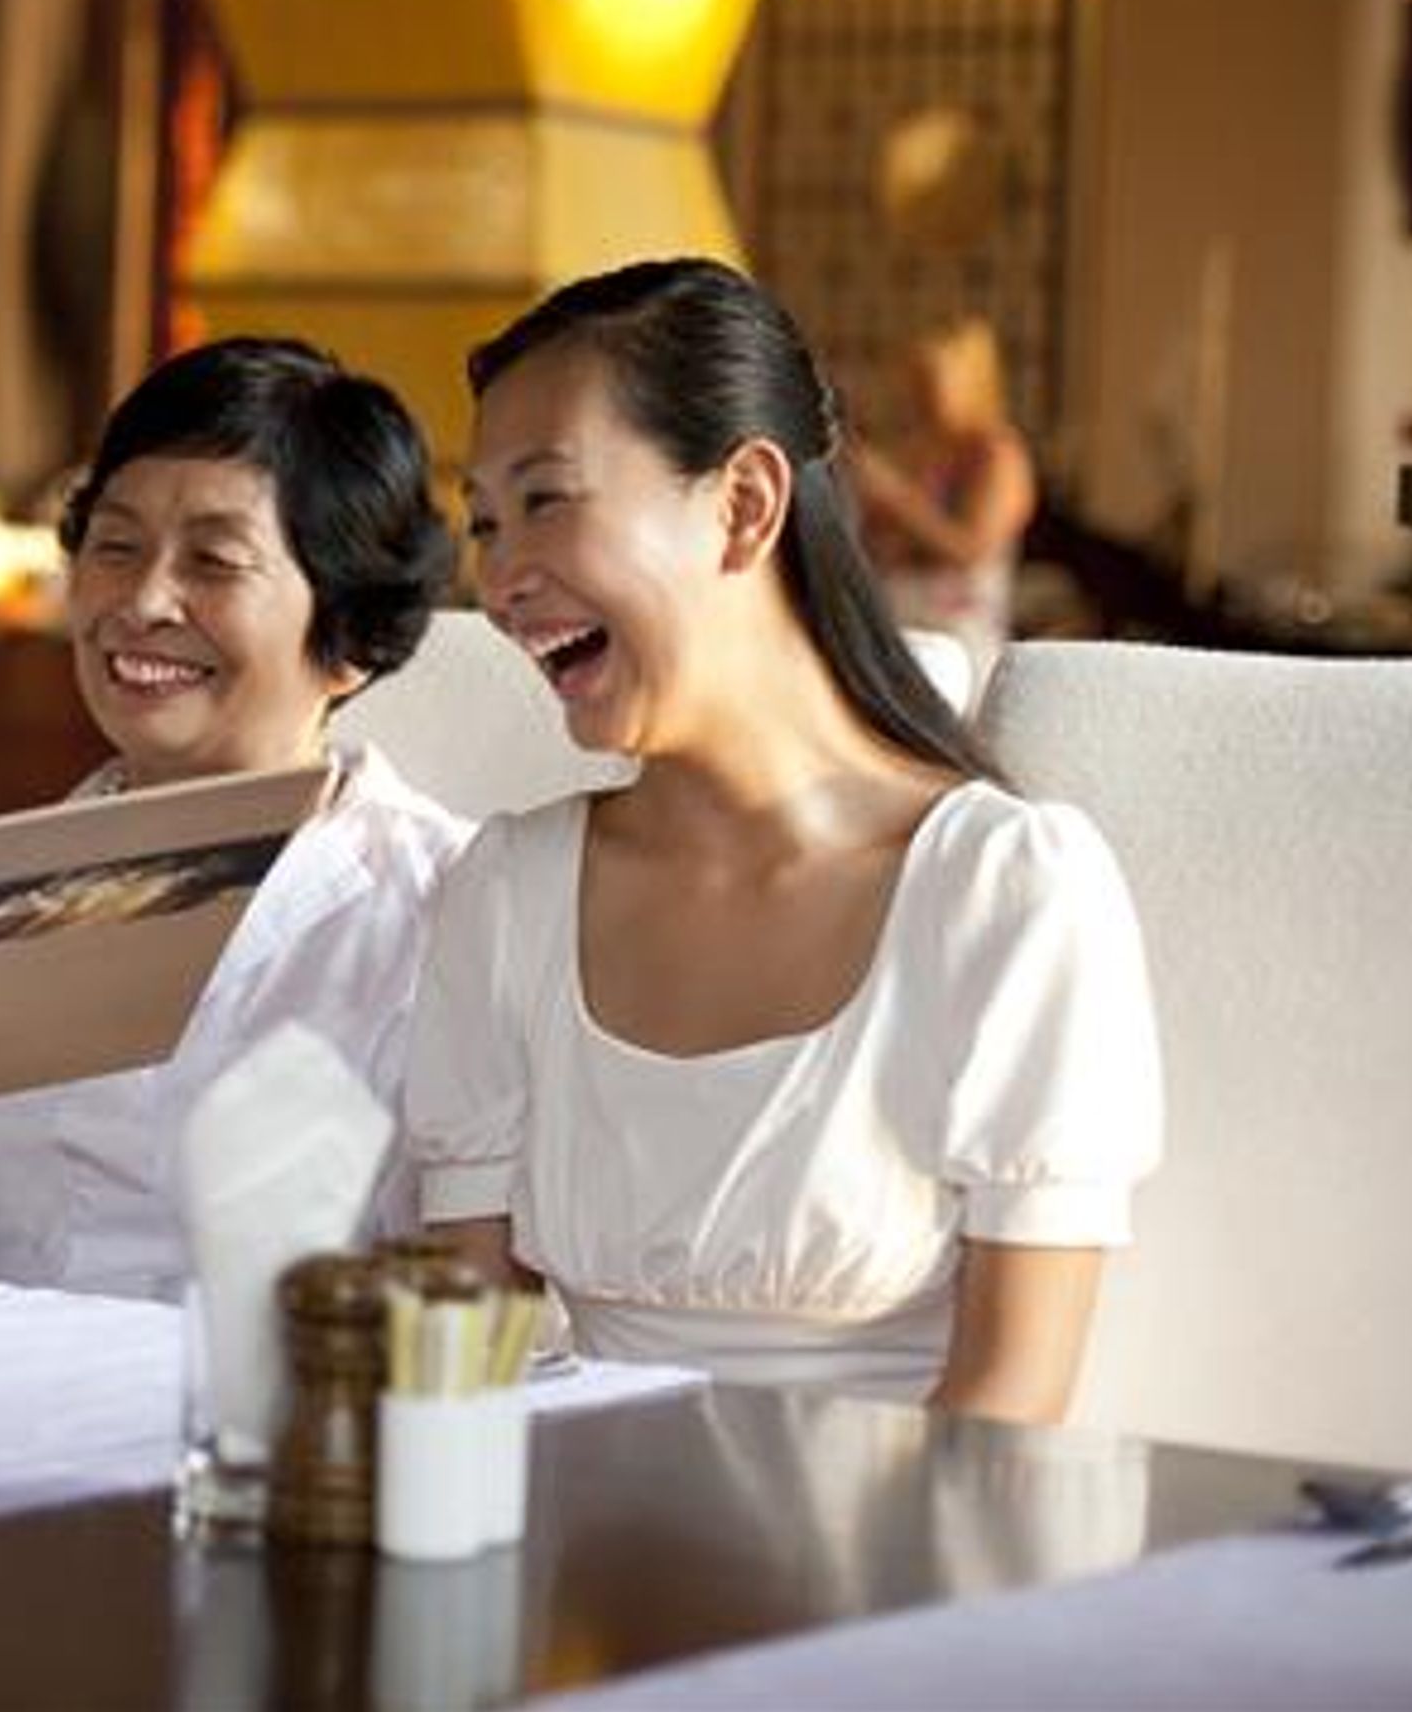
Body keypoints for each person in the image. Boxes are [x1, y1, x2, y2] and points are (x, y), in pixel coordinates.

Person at [403, 259, 1159, 1421]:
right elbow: (466, 1377)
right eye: (485, 524)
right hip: (573, 1569)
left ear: (745, 505)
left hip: (899, 1574)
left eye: (546, 500)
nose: (500, 580)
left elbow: (1012, 1399)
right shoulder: (505, 894)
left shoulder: (1004, 889)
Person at [0, 339, 472, 1296]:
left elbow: (462, 1304)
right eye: (115, 545)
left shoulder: (454, 918)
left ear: (350, 634)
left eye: (215, 562)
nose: (142, 602)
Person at [850, 316, 1035, 668]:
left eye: (930, 385)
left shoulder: (999, 455)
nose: (917, 399)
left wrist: (894, 496)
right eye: (915, 385)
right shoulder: (923, 449)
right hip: (901, 631)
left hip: (962, 642)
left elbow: (969, 547)